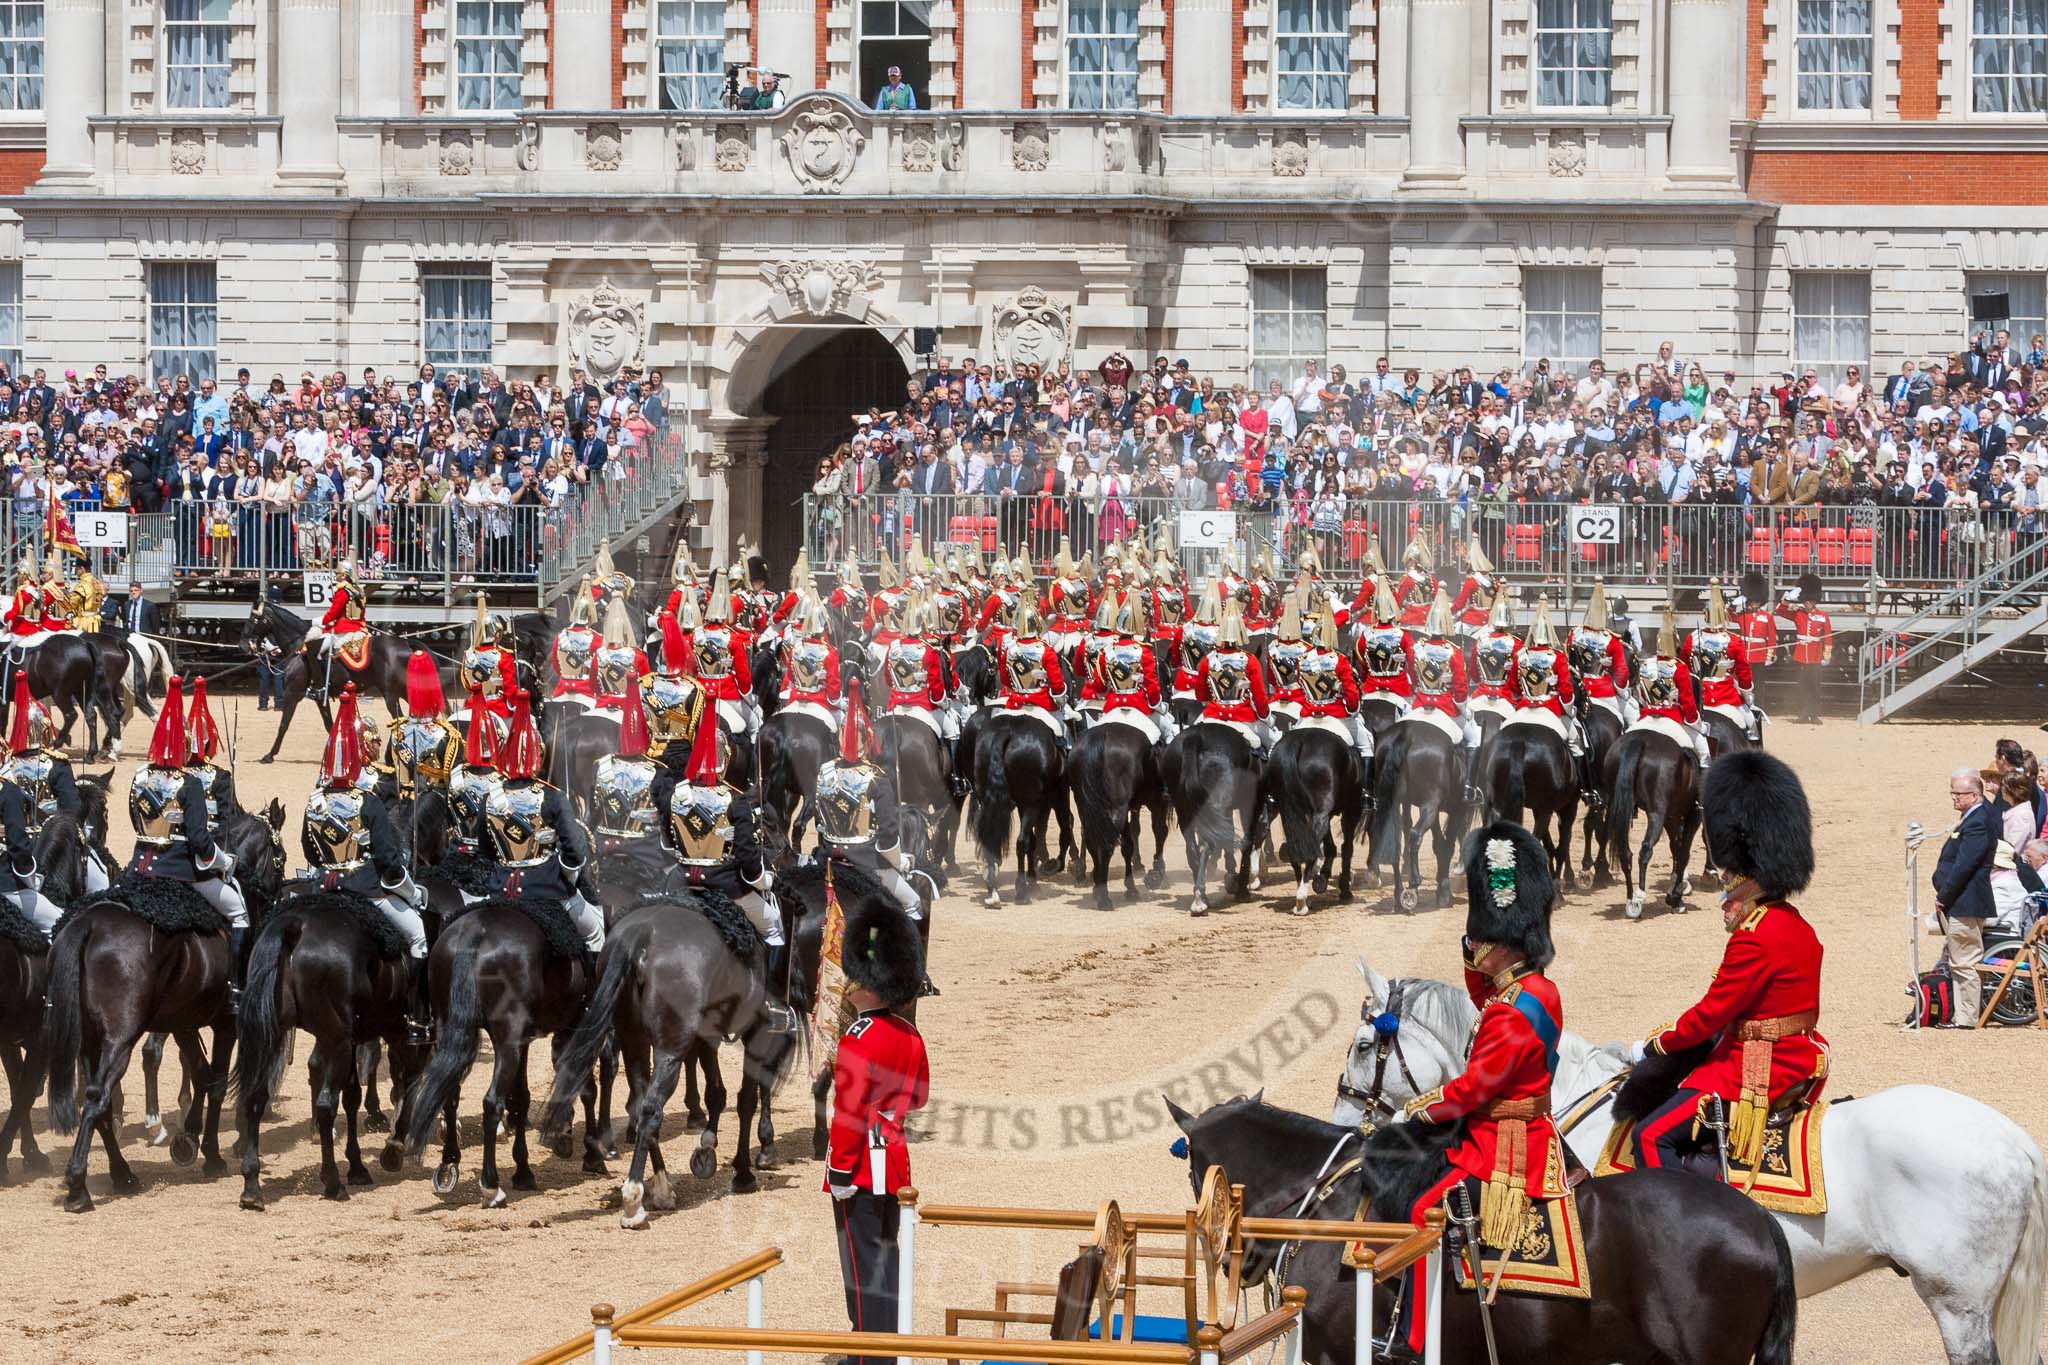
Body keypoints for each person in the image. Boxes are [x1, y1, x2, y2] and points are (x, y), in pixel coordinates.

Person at [1394, 820, 1567, 1361]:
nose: (1476, 947)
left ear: (1507, 944)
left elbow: (1471, 1090)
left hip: (1505, 1143)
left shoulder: (1511, 1015)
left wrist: (1416, 1110)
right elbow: (1480, 986)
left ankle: (1417, 1338)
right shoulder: (1533, 989)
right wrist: (1472, 937)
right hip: (1525, 1124)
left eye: (1483, 939)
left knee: (1425, 1210)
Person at [1629, 750, 1825, 1176]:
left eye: (1728, 889)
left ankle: (1680, 1234)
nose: (1724, 901)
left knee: (1648, 1135)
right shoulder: (1795, 924)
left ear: (1748, 882)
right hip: (1798, 1052)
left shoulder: (1755, 936)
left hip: (1757, 1064)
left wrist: (1656, 1045)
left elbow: (1713, 1013)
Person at [825, 900, 929, 1365]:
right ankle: (890, 1346)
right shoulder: (910, 1035)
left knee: (863, 1267)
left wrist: (840, 1169)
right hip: (895, 1162)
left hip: (862, 1165)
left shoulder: (859, 1037)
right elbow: (919, 1095)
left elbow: (848, 1110)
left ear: (867, 985)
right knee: (886, 1261)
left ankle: (870, 1356)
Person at [302, 685, 432, 1042]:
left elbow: (310, 851)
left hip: (323, 885)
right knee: (419, 937)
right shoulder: (374, 795)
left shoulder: (316, 798)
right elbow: (389, 859)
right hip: (366, 889)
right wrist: (410, 890)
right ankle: (416, 1016)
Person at [127, 677, 250, 986]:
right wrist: (222, 862)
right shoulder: (188, 783)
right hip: (181, 869)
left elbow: (136, 823)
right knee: (238, 912)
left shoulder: (140, 777)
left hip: (139, 867)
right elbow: (198, 839)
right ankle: (235, 985)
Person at [664, 687, 786, 984]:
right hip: (727, 887)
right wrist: (763, 880)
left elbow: (668, 843)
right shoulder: (734, 800)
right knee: (773, 926)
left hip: (679, 883)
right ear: (726, 759)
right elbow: (747, 859)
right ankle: (773, 1001)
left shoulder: (675, 796)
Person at [476, 688, 603, 953]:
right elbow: (576, 852)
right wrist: (566, 876)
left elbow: (486, 851)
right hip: (547, 886)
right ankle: (589, 993)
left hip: (501, 888)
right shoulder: (553, 797)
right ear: (538, 755)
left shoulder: (489, 797)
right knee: (595, 934)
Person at [815, 677, 921, 920]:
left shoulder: (824, 772)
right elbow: (887, 834)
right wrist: (898, 861)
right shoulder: (877, 779)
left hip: (827, 859)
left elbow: (819, 820)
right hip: (868, 862)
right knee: (913, 902)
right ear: (867, 742)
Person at [0, 676, 81, 932]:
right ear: (46, 729)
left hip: (17, 846)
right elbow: (72, 810)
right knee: (64, 924)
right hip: (42, 847)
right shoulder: (56, 764)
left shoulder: (9, 766)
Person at [589, 674, 671, 899]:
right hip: (645, 855)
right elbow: (667, 820)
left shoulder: (600, 766)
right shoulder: (659, 771)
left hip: (602, 850)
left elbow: (592, 812)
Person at [1934, 765, 2000, 1028]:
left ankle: (1966, 1017)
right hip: (1963, 898)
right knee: (1960, 960)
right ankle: (1962, 1015)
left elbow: (1965, 864)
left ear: (1974, 795)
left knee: (1964, 961)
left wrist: (1944, 896)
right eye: (1952, 792)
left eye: (1958, 793)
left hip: (1965, 899)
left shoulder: (1978, 821)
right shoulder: (1975, 816)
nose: (1953, 797)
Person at [1410, 588, 1480, 801]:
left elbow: (1412, 678)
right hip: (1446, 707)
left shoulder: (1417, 648)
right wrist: (1464, 710)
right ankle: (1469, 786)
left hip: (1420, 704)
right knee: (1475, 737)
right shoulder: (1453, 652)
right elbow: (1460, 689)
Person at [1193, 598, 1270, 755]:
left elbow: (1201, 694)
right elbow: (1260, 696)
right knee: (1274, 743)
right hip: (1243, 717)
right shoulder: (1250, 660)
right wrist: (1265, 715)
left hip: (1213, 715)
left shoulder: (1208, 660)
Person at [1632, 603, 1706, 766]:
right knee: (1704, 750)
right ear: (1676, 642)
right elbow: (1688, 703)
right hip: (1672, 717)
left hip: (1646, 717)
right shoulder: (1679, 668)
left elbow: (1641, 698)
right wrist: (1697, 724)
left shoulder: (1644, 665)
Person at [1688, 579, 1760, 745]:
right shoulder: (1733, 641)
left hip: (1700, 696)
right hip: (1726, 696)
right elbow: (1744, 673)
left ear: (1705, 615)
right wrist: (1747, 696)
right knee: (1751, 725)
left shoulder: (1692, 638)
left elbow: (1686, 668)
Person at [386, 650, 464, 801]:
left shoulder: (398, 733)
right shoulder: (448, 735)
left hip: (408, 801)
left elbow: (395, 775)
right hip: (439, 801)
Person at [1094, 589, 1170, 743]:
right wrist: (1155, 704)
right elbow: (1152, 685)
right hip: (1139, 706)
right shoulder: (1143, 651)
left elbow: (1099, 685)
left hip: (1112, 707)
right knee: (1168, 732)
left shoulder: (1106, 652)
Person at [999, 596, 1069, 747]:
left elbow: (1005, 681)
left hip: (1015, 703)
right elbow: (1057, 685)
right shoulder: (1046, 650)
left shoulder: (1008, 651)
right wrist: (1061, 698)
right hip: (1042, 703)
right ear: (1037, 625)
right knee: (1060, 730)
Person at [1567, 578, 1634, 726]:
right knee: (1634, 717)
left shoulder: (1574, 634)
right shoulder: (1612, 640)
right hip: (1604, 692)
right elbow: (1621, 672)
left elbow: (1569, 665)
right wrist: (1623, 693)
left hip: (1580, 690)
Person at [779, 591, 844, 732]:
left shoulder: (796, 648)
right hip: (819, 700)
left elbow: (789, 678)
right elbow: (833, 686)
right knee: (841, 720)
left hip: (796, 698)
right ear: (824, 628)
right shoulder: (829, 652)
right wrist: (838, 702)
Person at [307, 558, 368, 702]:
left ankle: (321, 686)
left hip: (344, 630)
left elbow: (333, 612)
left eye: (339, 573)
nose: (336, 575)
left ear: (345, 575)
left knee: (314, 651)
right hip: (360, 628)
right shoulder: (358, 591)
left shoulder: (342, 591)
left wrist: (320, 621)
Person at [1353, 575, 1414, 712]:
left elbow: (1362, 665)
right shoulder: (1403, 635)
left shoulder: (1366, 635)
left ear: (1377, 611)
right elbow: (1412, 663)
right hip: (1399, 687)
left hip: (1371, 686)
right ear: (1393, 613)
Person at [1780, 582, 1832, 724]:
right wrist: (1789, 598)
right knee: (1802, 687)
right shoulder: (1798, 614)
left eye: (1811, 601)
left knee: (1814, 687)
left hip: (1815, 656)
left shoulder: (1823, 616)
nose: (1809, 603)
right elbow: (1780, 611)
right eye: (1806, 601)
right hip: (1801, 655)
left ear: (1815, 601)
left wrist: (1826, 655)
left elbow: (1827, 636)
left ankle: (1814, 715)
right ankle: (1802, 714)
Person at [551, 578, 601, 706]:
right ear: (590, 616)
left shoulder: (561, 636)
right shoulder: (596, 639)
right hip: (587, 692)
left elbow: (556, 665)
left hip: (562, 691)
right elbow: (598, 671)